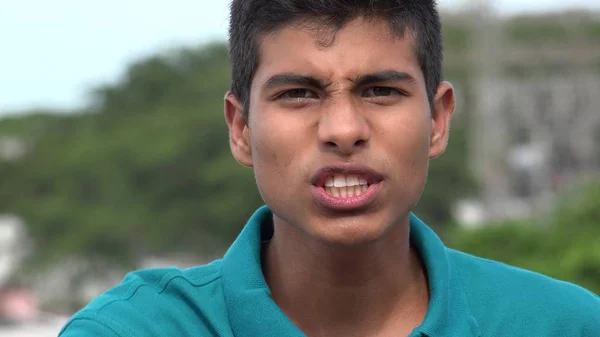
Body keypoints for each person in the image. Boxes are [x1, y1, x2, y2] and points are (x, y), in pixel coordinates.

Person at [59, 1, 600, 336]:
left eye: (381, 90)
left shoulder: (564, 324)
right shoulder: (136, 330)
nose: (343, 129)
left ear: (436, 120)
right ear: (240, 128)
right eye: (298, 94)